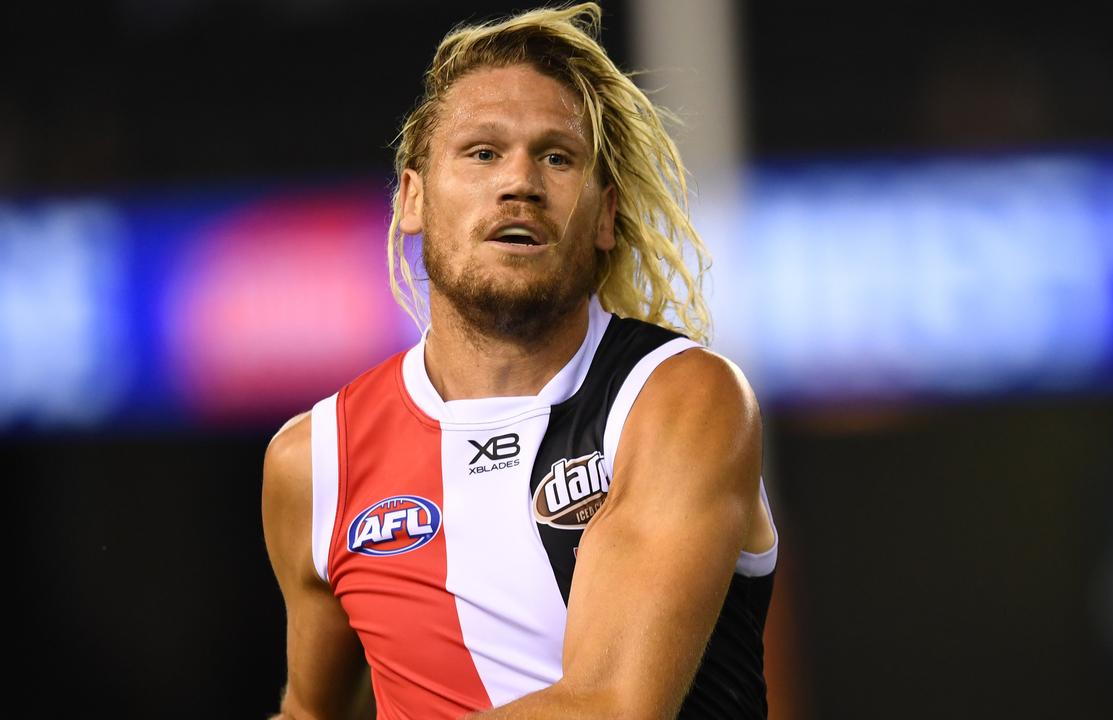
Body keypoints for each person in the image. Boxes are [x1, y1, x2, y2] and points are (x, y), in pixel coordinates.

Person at [261, 4, 778, 718]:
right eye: (481, 152)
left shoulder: (678, 400)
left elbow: (612, 707)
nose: (520, 183)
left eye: (557, 157)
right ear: (411, 199)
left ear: (604, 217)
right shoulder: (315, 462)